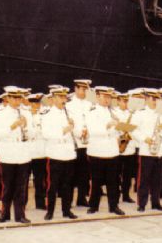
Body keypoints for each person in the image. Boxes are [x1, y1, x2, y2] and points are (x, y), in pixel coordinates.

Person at [0, 86, 32, 224]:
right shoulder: (0, 114)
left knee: (21, 187)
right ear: (8, 98)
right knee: (7, 187)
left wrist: (26, 126)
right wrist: (12, 126)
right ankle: (5, 213)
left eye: (19, 98)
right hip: (8, 154)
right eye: (14, 98)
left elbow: (32, 134)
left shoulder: (26, 113)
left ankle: (20, 215)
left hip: (22, 154)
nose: (17, 101)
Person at [83, 86, 125, 215]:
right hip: (97, 151)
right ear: (98, 97)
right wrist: (108, 127)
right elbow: (93, 131)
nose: (107, 99)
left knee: (113, 182)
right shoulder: (91, 112)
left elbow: (122, 130)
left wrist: (121, 128)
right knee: (96, 182)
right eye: (104, 96)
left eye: (109, 97)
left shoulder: (114, 112)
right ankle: (93, 206)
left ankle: (114, 206)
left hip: (112, 151)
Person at [130, 88, 162, 212]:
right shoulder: (140, 113)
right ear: (147, 99)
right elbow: (133, 130)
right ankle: (142, 204)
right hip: (147, 150)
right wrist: (144, 139)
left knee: (157, 179)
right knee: (144, 179)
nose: (155, 101)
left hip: (159, 150)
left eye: (157, 99)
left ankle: (156, 202)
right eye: (153, 99)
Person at [41, 86, 78, 220]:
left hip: (68, 153)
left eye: (64, 97)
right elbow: (46, 133)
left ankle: (66, 210)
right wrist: (64, 130)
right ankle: (50, 211)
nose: (63, 100)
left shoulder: (69, 113)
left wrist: (77, 129)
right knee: (53, 185)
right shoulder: (47, 114)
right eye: (61, 97)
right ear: (54, 98)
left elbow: (76, 132)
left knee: (68, 185)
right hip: (55, 153)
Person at [66, 79, 93, 207]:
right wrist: (78, 132)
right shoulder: (69, 105)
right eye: (82, 89)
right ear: (75, 89)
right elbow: (69, 123)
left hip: (86, 143)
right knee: (71, 174)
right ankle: (69, 200)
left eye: (86, 89)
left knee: (84, 173)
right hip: (74, 143)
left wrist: (88, 131)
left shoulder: (89, 105)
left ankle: (82, 198)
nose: (84, 92)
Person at [112, 91, 137, 204]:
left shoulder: (132, 113)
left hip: (129, 145)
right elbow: (114, 127)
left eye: (127, 101)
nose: (125, 103)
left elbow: (136, 127)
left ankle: (126, 195)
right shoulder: (113, 112)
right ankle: (115, 196)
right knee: (116, 174)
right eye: (123, 101)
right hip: (117, 146)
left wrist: (129, 132)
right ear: (118, 101)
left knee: (127, 175)